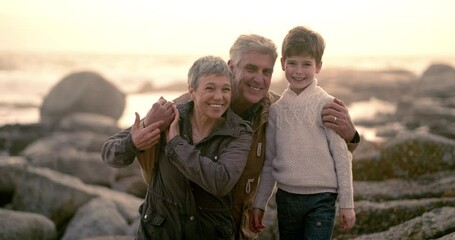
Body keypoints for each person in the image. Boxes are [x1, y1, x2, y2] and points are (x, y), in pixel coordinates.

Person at [135, 33, 360, 239]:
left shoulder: (277, 109)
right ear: (231, 66)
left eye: (266, 72)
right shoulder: (190, 105)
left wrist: (350, 136)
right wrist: (144, 128)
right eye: (251, 68)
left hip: (233, 229)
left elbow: (314, 147)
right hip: (180, 227)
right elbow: (135, 150)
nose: (258, 79)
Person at [101, 55, 253, 239]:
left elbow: (220, 182)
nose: (219, 97)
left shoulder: (239, 133)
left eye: (226, 89)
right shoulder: (167, 117)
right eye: (210, 88)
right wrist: (133, 143)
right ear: (192, 91)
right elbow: (109, 154)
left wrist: (175, 143)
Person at [249, 26, 356, 239]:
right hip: (286, 199)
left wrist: (347, 204)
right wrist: (259, 204)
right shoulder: (277, 110)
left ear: (318, 67)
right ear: (282, 64)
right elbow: (270, 161)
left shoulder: (327, 105)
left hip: (322, 199)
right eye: (292, 63)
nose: (299, 71)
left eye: (306, 64)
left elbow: (342, 157)